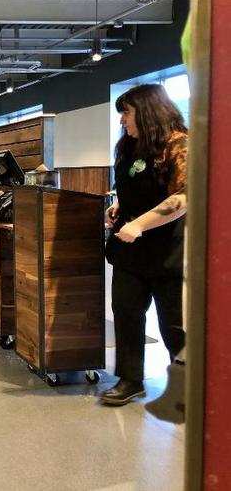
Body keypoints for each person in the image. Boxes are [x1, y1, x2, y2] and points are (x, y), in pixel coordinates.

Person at [100, 84, 187, 406]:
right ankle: (130, 379)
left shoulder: (179, 144)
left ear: (148, 112)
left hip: (168, 250)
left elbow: (182, 198)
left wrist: (139, 224)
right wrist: (121, 206)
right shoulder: (129, 147)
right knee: (126, 312)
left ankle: (188, 385)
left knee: (173, 323)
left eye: (127, 112)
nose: (122, 120)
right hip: (130, 250)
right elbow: (129, 184)